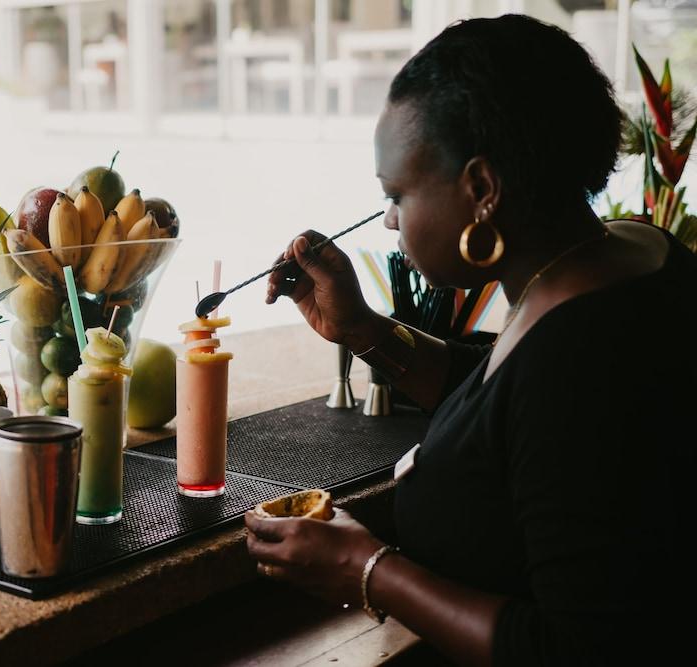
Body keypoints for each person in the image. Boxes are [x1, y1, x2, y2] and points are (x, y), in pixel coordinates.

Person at [245, 14, 696, 666]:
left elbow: (574, 647)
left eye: (396, 193)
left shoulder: (579, 360)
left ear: (482, 189)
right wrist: (364, 330)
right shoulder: (629, 261)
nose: (392, 220)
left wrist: (366, 567)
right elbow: (504, 400)